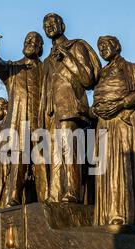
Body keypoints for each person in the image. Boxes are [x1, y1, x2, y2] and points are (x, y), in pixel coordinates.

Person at [40, 13, 101, 203]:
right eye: (45, 24)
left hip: (70, 107)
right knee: (55, 154)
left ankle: (72, 191)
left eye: (53, 22)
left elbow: (88, 78)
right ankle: (55, 193)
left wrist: (67, 58)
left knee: (69, 150)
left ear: (63, 26)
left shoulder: (76, 46)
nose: (49, 26)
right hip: (51, 113)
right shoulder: (46, 60)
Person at [91, 35, 135, 226]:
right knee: (106, 171)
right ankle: (104, 216)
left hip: (124, 123)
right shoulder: (99, 75)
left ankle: (124, 214)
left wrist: (122, 103)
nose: (102, 49)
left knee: (122, 169)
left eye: (105, 45)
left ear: (117, 46)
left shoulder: (131, 68)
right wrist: (96, 110)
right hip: (104, 125)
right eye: (99, 47)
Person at [0, 27, 48, 207]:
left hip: (40, 122)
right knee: (19, 160)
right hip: (19, 122)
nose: (29, 43)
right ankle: (12, 198)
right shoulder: (13, 68)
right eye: (27, 40)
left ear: (40, 48)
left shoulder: (46, 69)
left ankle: (46, 199)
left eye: (34, 41)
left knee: (42, 162)